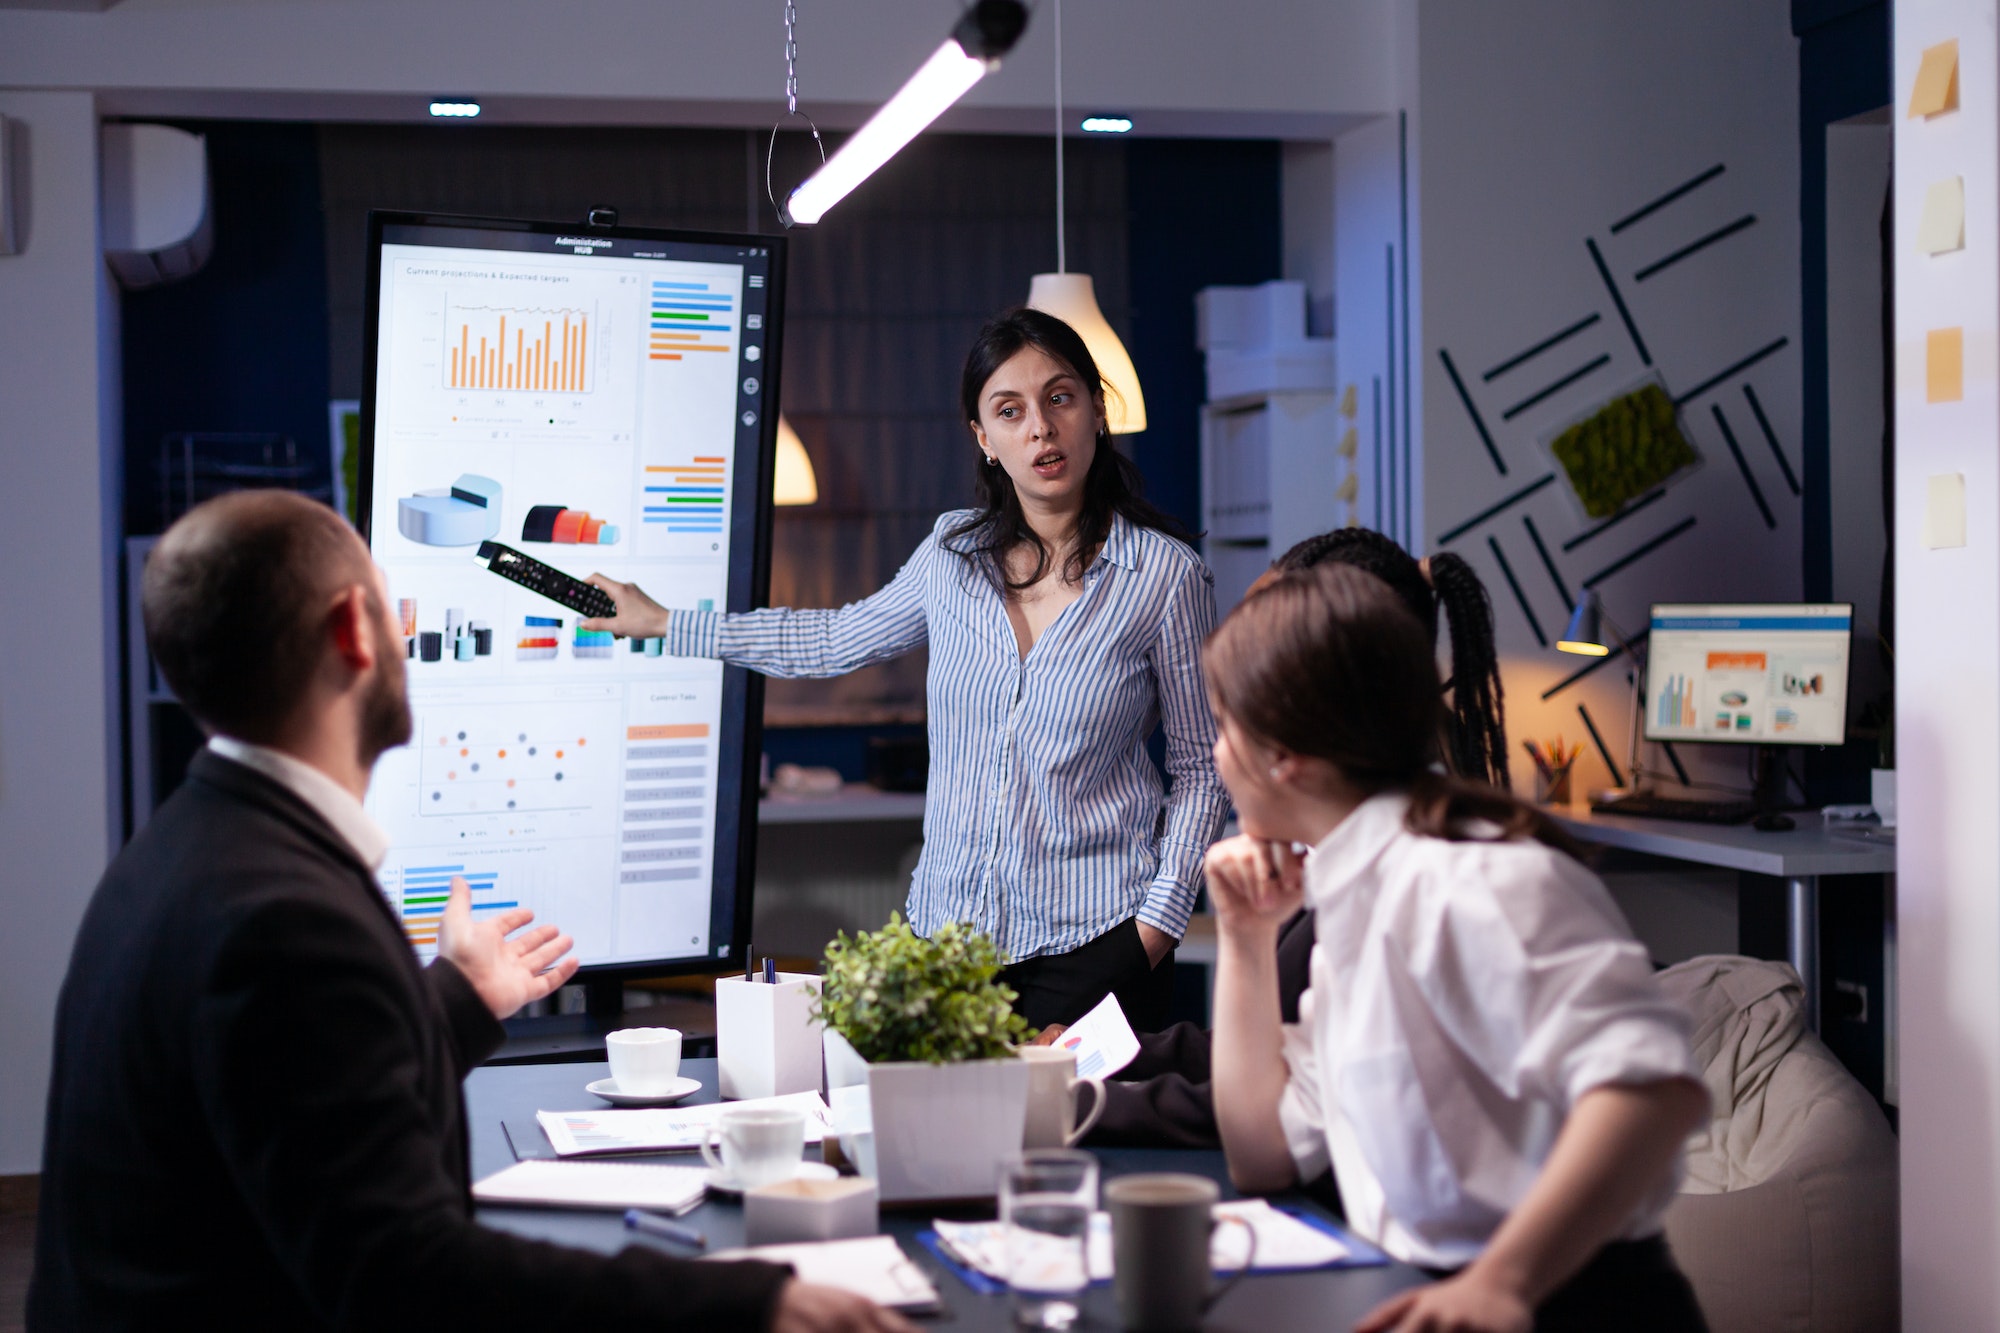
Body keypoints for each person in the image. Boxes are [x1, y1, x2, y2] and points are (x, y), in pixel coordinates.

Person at [29, 491, 908, 1333]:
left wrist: (454, 995)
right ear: (352, 631)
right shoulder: (282, 918)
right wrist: (751, 1303)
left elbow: (290, 1115)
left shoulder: (185, 846)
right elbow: (406, 1280)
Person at [585, 308, 1229, 1031]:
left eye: (1061, 397)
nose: (1041, 429)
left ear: (1096, 411)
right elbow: (831, 640)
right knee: (934, 1141)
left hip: (1098, 943)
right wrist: (665, 621)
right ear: (985, 439)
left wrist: (1155, 928)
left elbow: (1202, 768)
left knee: (1083, 1145)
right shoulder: (950, 555)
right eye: (1009, 410)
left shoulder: (1166, 577)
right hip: (947, 949)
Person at [1204, 563, 1709, 1332]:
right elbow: (1263, 1154)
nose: (1214, 755)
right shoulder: (1354, 891)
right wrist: (1244, 936)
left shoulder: (1466, 880)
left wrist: (1501, 1282)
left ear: (1284, 757)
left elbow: (1653, 1091)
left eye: (1223, 727)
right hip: (1426, 1293)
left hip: (1561, 1302)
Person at [1075, 528, 1513, 1148]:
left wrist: (1063, 1104)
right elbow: (1277, 1105)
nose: (1214, 761)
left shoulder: (1449, 882)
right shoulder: (1344, 866)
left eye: (1230, 727)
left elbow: (1276, 1115)